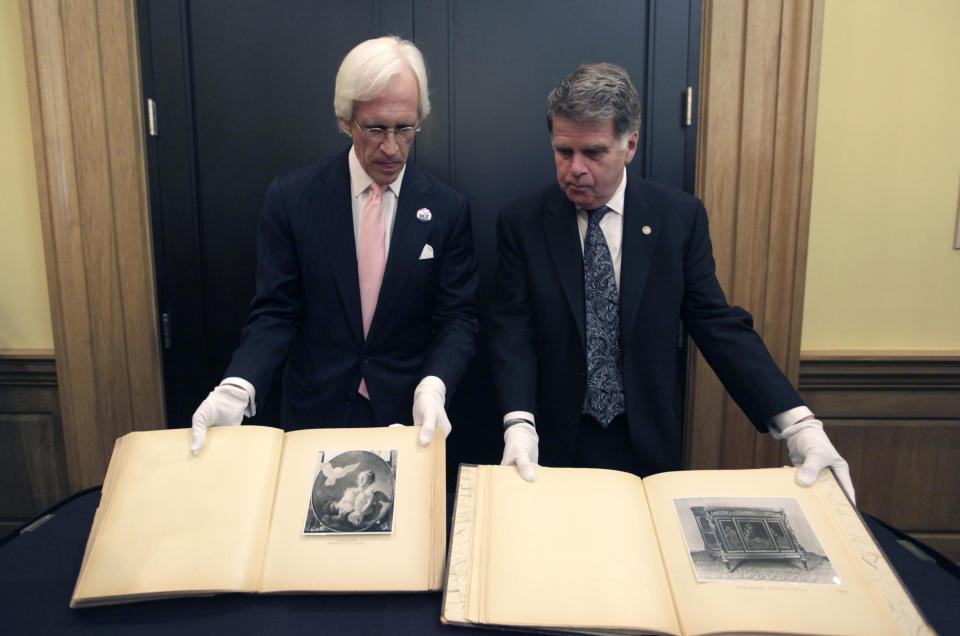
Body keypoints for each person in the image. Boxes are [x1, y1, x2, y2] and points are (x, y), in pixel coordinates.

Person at [489, 63, 854, 501]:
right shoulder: (522, 222)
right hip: (549, 439)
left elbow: (716, 324)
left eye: (594, 152)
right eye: (564, 152)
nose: (575, 169)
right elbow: (513, 331)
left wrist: (797, 422)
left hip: (646, 440)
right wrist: (518, 422)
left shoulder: (678, 218)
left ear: (630, 145)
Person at [190, 36, 479, 453]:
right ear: (346, 120)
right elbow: (276, 311)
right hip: (316, 415)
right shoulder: (293, 198)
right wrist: (238, 385)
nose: (392, 147)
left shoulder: (448, 209)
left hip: (409, 418)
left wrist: (434, 386)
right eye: (375, 128)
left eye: (406, 128)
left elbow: (458, 318)